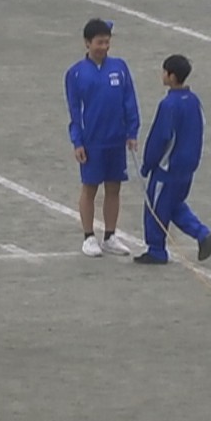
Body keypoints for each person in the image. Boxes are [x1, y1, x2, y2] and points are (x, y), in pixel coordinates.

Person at [65, 19, 141, 258]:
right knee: (90, 188)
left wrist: (132, 132)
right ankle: (89, 236)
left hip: (115, 139)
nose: (104, 47)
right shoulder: (75, 73)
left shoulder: (120, 67)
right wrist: (77, 141)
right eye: (99, 42)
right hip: (92, 141)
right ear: (87, 43)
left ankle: (110, 236)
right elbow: (74, 111)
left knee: (114, 187)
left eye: (107, 42)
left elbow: (129, 100)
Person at [133, 54, 211, 266]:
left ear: (171, 76)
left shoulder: (168, 105)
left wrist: (148, 164)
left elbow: (160, 137)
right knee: (174, 205)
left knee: (155, 207)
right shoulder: (194, 101)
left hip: (167, 167)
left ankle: (156, 250)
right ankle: (201, 233)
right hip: (188, 165)